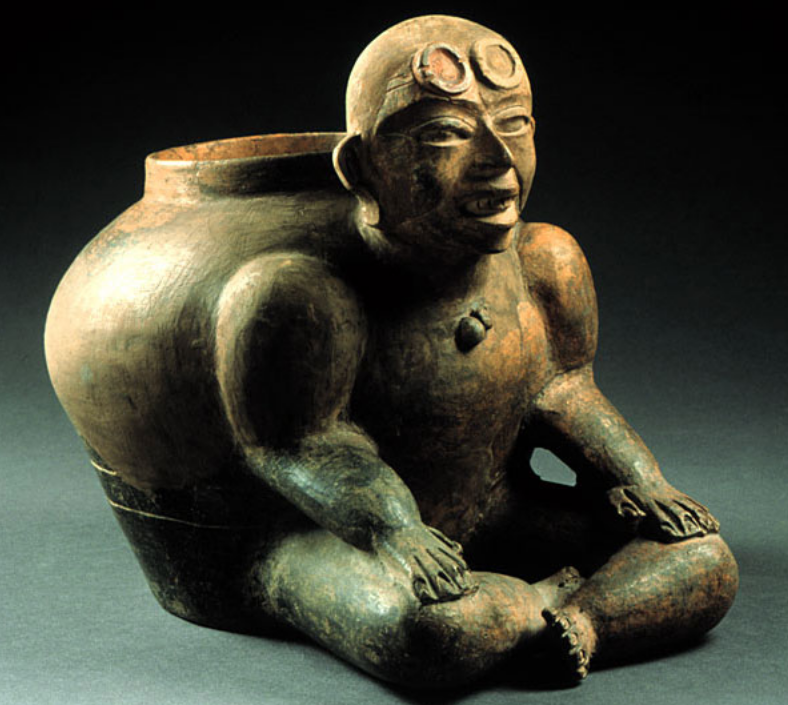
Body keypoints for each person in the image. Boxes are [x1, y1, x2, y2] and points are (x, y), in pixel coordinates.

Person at [46, 14, 738, 688]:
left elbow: (562, 390)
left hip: (490, 514)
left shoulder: (542, 262)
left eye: (514, 124)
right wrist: (395, 531)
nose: (497, 160)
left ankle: (575, 624)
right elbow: (303, 445)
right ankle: (543, 603)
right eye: (445, 134)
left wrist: (641, 478)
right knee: (431, 632)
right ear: (363, 167)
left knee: (704, 559)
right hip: (311, 539)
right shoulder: (302, 292)